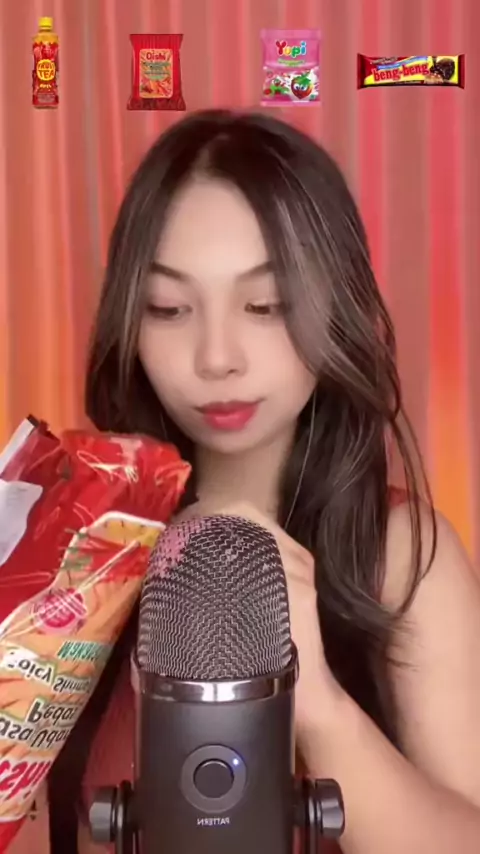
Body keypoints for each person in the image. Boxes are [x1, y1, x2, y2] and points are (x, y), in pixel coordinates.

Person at [13, 109, 480, 853]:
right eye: (169, 308)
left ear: (334, 305)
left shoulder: (399, 555)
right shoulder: (80, 550)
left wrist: (316, 701)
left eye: (266, 305)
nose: (217, 357)